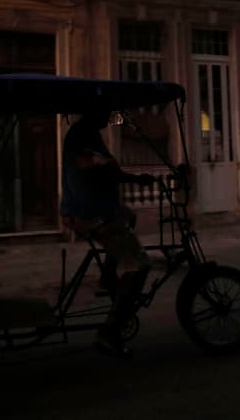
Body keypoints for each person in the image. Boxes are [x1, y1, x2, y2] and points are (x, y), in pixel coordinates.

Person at [60, 107, 153, 358]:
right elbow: (85, 162)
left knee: (128, 216)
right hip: (90, 213)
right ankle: (109, 332)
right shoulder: (82, 134)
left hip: (100, 208)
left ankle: (108, 277)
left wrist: (136, 180)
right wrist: (102, 160)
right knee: (140, 264)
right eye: (106, 111)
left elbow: (109, 173)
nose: (108, 116)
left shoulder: (90, 133)